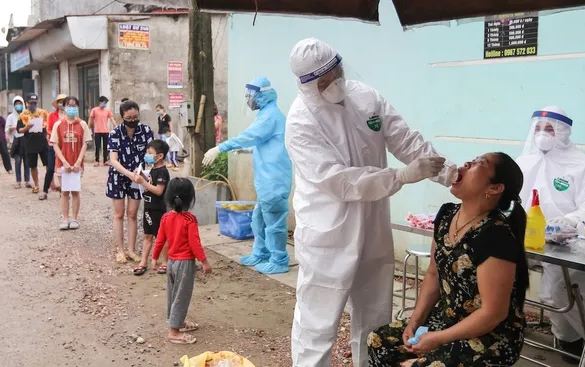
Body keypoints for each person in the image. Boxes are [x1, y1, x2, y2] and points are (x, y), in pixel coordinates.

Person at [285, 38, 457, 367]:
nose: (334, 82)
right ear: (307, 85)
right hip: (329, 234)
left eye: (337, 72)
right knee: (317, 324)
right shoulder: (301, 121)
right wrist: (401, 177)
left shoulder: (365, 97)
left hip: (373, 223)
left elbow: (406, 139)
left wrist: (448, 173)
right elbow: (339, 180)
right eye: (324, 80)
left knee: (375, 316)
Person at [369, 152, 529, 366]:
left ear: (494, 188)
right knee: (378, 342)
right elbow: (434, 274)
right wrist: (416, 321)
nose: (467, 162)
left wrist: (437, 339)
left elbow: (493, 313)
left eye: (480, 163)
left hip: (488, 336)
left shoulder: (495, 235)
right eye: (471, 159)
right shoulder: (446, 215)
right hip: (447, 319)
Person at [516, 106, 585, 363]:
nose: (542, 134)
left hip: (565, 243)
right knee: (500, 274)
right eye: (538, 128)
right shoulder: (524, 161)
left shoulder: (581, 164)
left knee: (560, 290)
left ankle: (572, 339)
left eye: (550, 129)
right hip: (526, 238)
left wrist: (569, 221)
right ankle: (504, 328)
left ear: (563, 131)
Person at [204, 77, 292, 275]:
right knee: (259, 219)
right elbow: (267, 144)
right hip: (267, 180)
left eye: (250, 95)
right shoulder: (266, 115)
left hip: (274, 181)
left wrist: (221, 147)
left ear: (261, 95)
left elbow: (251, 136)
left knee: (274, 221)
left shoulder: (270, 116)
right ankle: (261, 253)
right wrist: (248, 151)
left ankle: (279, 259)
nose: (248, 99)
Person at [152, 177, 212, 345]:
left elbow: (160, 240)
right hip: (185, 264)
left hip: (171, 263)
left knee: (173, 294)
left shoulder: (165, 218)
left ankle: (177, 322)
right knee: (182, 296)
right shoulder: (190, 219)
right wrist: (205, 262)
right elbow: (195, 243)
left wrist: (154, 258)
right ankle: (174, 332)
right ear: (190, 198)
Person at [107, 99, 154, 264]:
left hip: (137, 176)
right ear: (122, 117)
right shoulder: (114, 133)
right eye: (129, 118)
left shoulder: (146, 130)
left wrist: (144, 169)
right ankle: (120, 251)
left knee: (133, 214)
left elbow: (151, 154)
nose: (133, 121)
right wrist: (128, 173)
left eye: (136, 117)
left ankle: (132, 250)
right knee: (119, 214)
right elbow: (113, 160)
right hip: (119, 176)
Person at [51, 96, 92, 230]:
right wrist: (64, 162)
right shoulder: (58, 125)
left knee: (75, 191)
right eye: (69, 105)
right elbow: (55, 145)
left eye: (74, 106)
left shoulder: (82, 124)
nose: (72, 108)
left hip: (76, 164)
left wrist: (78, 162)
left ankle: (74, 218)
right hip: (63, 165)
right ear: (63, 107)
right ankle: (65, 218)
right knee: (64, 192)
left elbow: (85, 144)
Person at [132, 140, 170, 276]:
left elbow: (159, 191)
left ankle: (165, 262)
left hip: (158, 208)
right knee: (147, 235)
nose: (147, 155)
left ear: (159, 156)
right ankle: (143, 262)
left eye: (150, 153)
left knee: (161, 236)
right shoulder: (153, 169)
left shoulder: (163, 172)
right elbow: (150, 183)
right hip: (148, 206)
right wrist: (142, 176)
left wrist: (142, 182)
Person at [18, 93, 50, 198]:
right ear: (27, 103)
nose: (33, 105)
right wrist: (27, 127)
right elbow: (20, 130)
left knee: (48, 164)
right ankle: (36, 185)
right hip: (30, 143)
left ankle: (51, 183)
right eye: (31, 103)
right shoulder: (22, 115)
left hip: (42, 142)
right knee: (33, 165)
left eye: (35, 103)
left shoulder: (43, 113)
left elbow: (49, 126)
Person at [7, 96, 31, 189]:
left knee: (27, 161)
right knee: (17, 161)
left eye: (20, 103)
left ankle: (27, 181)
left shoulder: (27, 115)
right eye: (16, 104)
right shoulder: (10, 117)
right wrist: (10, 128)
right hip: (16, 141)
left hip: (26, 141)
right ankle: (18, 181)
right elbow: (6, 128)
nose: (18, 106)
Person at [89, 96, 117, 167]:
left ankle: (105, 160)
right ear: (100, 102)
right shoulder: (94, 110)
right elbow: (90, 119)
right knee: (97, 147)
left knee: (106, 147)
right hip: (97, 131)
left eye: (106, 103)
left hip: (105, 131)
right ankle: (97, 160)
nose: (105, 104)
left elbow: (112, 119)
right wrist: (88, 128)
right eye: (104, 102)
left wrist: (116, 126)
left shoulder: (107, 111)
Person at [48, 94, 67, 192]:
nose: (61, 104)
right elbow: (49, 129)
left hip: (66, 144)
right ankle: (51, 184)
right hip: (54, 143)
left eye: (63, 102)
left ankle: (65, 186)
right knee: (52, 166)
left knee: (65, 165)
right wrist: (56, 137)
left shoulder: (69, 115)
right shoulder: (52, 115)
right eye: (59, 102)